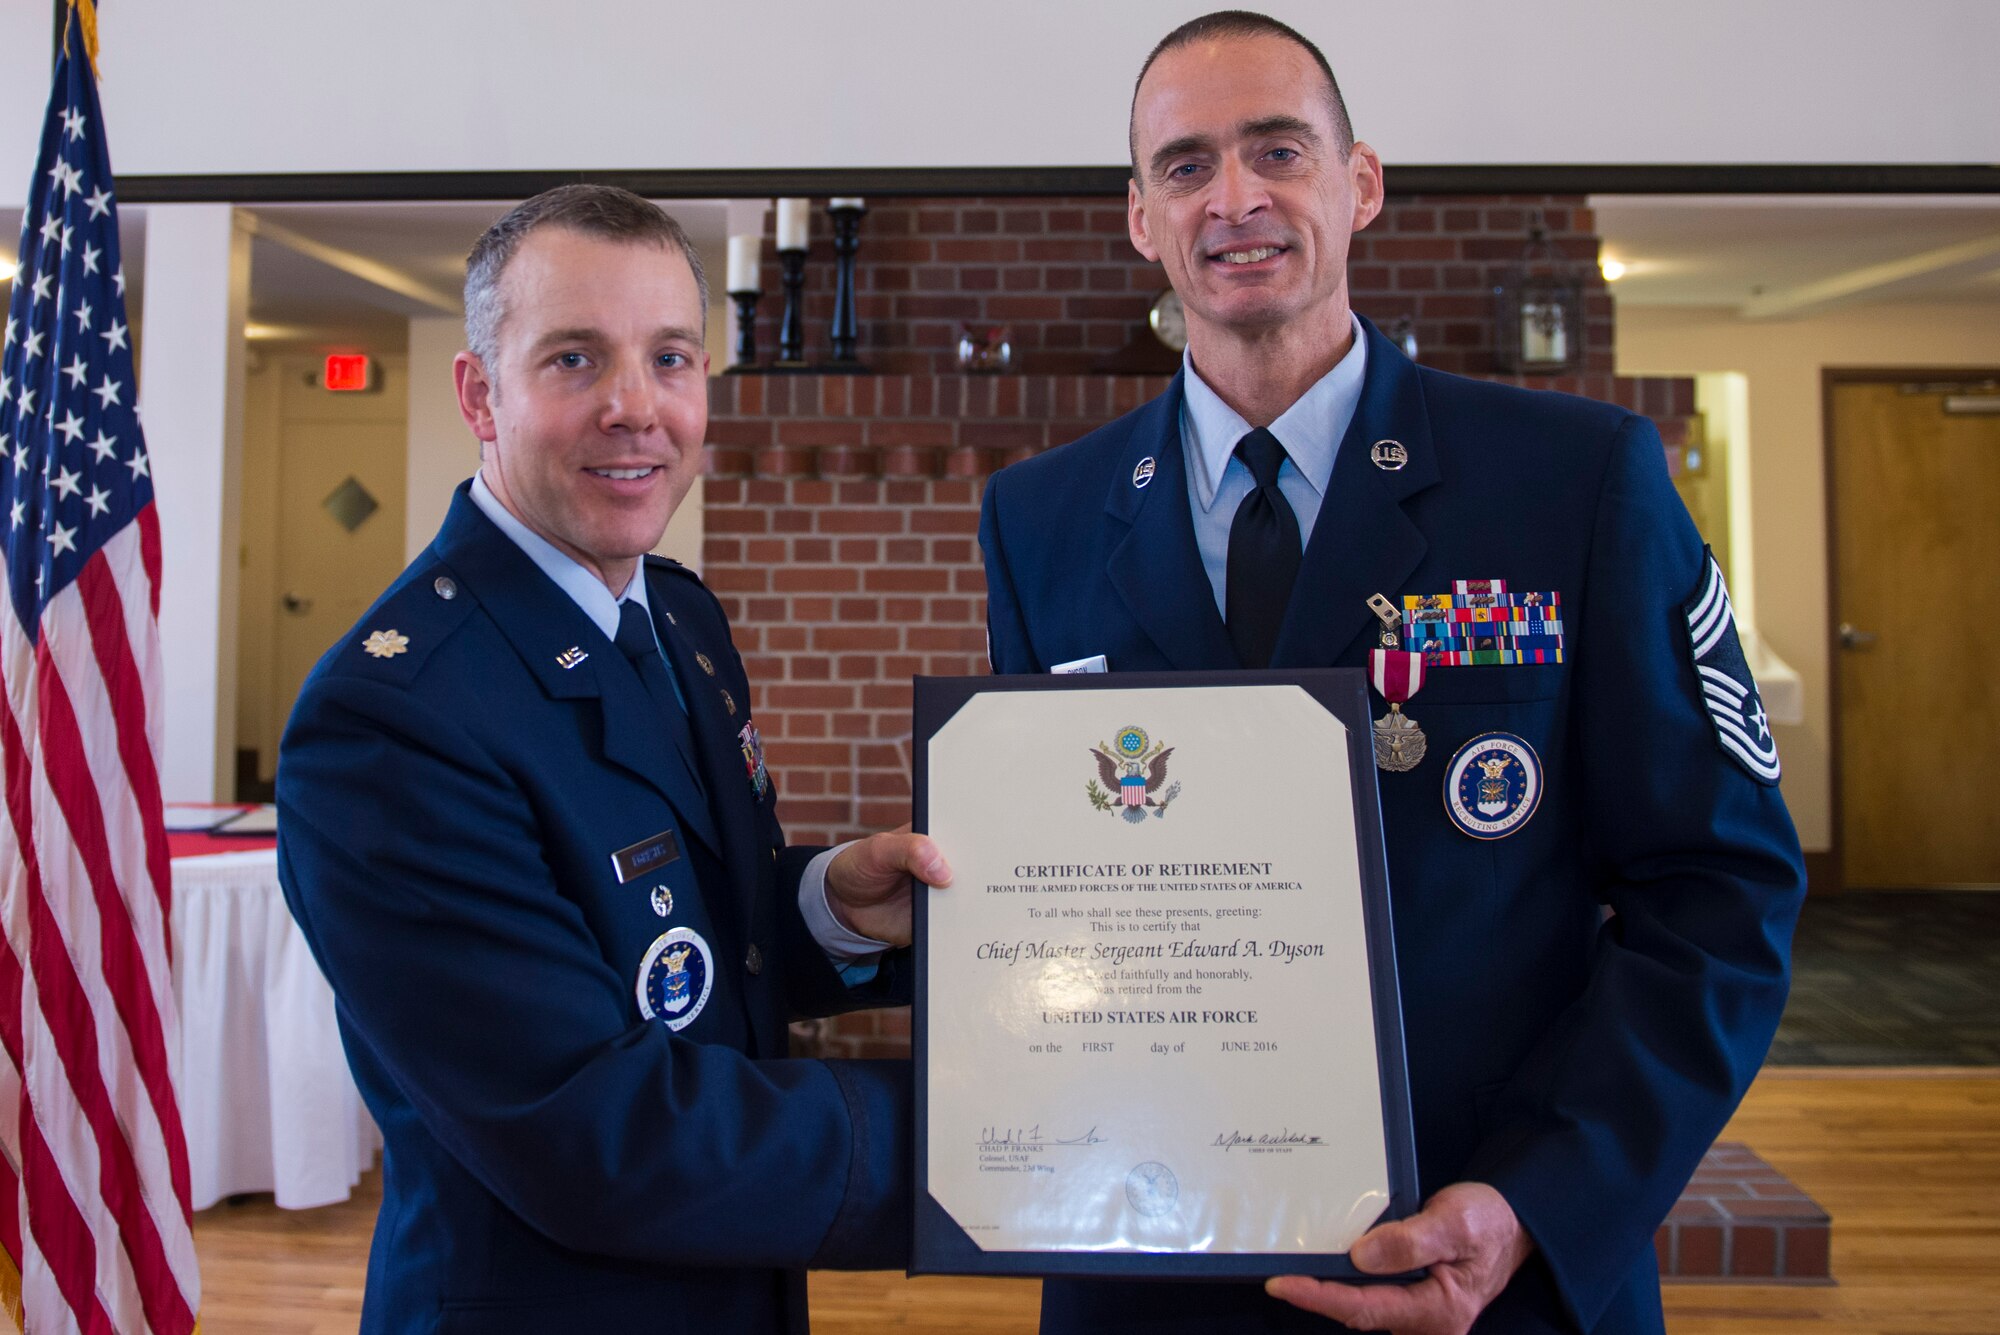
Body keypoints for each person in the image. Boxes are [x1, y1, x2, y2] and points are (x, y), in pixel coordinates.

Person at [978, 12, 1804, 1334]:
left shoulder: (1576, 479)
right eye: (1186, 165)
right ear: (1141, 216)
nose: (1235, 198)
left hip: (1481, 1260)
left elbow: (1720, 887)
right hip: (1149, 1268)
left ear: (1360, 182)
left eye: (1278, 150)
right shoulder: (1042, 517)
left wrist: (1541, 1193)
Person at [278, 185, 950, 1334]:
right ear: (480, 394)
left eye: (671, 359)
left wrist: (825, 906)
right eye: (576, 360)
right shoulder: (391, 719)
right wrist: (999, 1140)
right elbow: (596, 1128)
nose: (636, 410)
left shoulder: (675, 621)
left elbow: (671, 951)